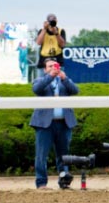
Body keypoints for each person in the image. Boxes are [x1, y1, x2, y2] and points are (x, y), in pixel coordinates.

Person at [29, 57, 79, 189]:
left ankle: (64, 181)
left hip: (64, 123)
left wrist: (65, 78)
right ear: (45, 69)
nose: (53, 68)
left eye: (55, 66)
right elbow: (37, 89)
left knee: (64, 155)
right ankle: (41, 183)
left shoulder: (64, 81)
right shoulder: (40, 80)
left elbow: (75, 90)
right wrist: (50, 77)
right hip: (44, 124)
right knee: (41, 155)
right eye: (50, 66)